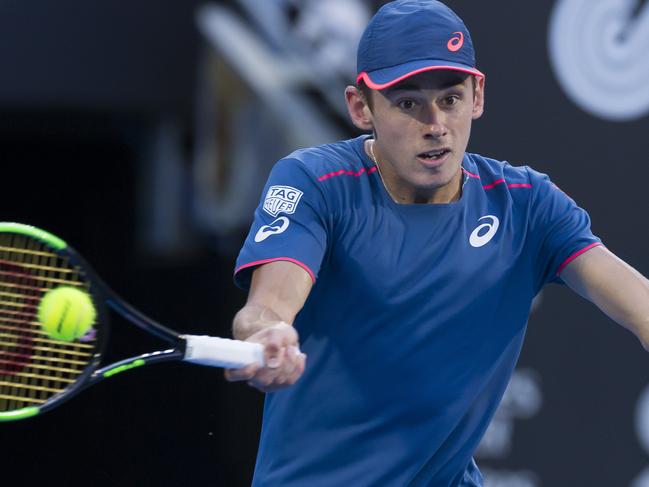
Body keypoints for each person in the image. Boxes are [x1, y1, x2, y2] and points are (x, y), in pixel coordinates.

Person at [225, 1, 649, 485]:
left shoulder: (527, 204)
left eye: (450, 99)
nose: (435, 124)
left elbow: (639, 304)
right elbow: (268, 307)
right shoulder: (313, 182)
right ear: (361, 107)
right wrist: (268, 333)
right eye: (407, 103)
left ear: (477, 96)